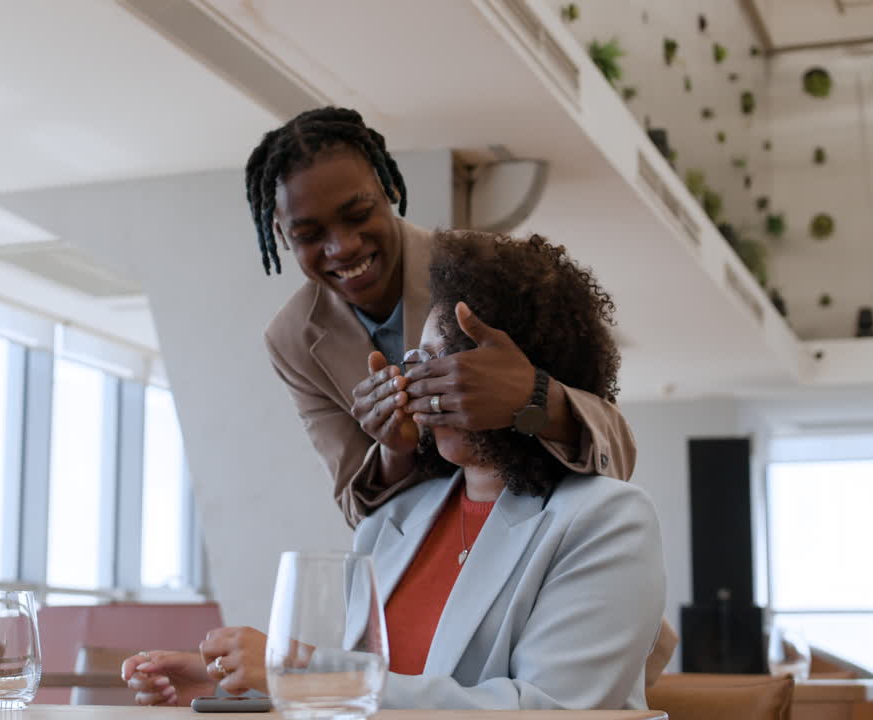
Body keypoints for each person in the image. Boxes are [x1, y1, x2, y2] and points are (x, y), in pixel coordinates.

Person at [121, 230, 666, 709]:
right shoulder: (393, 520)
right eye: (413, 362)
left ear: (506, 372)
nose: (409, 382)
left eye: (434, 360)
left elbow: (547, 710)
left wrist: (298, 671)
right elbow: (369, 693)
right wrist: (239, 686)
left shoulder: (607, 519)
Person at [247, 106, 637, 527]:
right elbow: (355, 508)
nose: (341, 246)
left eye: (358, 215)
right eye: (309, 235)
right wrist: (395, 450)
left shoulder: (488, 264)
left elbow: (616, 450)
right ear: (281, 236)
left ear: (390, 187)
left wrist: (534, 397)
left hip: (550, 527)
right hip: (437, 549)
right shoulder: (292, 340)